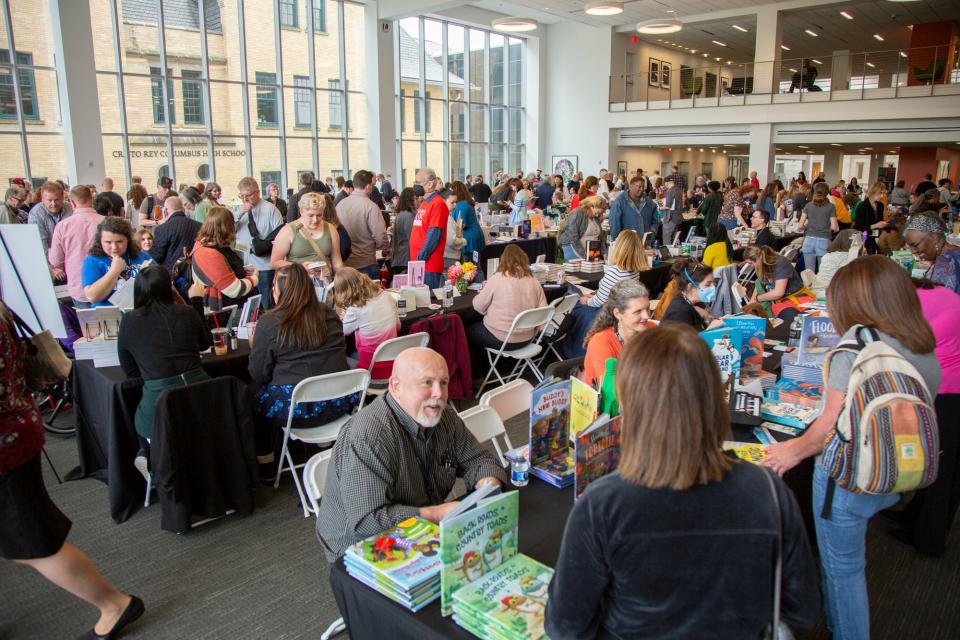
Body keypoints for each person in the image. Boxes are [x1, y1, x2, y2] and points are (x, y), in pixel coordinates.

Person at [546, 322, 820, 639]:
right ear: (715, 396)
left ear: (630, 407)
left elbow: (565, 627)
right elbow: (803, 609)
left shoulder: (601, 505)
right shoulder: (769, 491)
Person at [763, 256, 940, 640]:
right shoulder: (921, 344)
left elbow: (828, 424)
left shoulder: (856, 348)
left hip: (847, 473)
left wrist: (793, 451)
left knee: (842, 569)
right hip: (896, 466)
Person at [0, 300, 146, 640]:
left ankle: (113, 604)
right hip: (17, 428)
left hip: (8, 443)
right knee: (28, 539)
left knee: (33, 542)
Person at [316, 347, 507, 560]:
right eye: (427, 382)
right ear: (396, 387)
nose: (439, 394)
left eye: (443, 382)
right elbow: (368, 521)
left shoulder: (444, 417)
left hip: (421, 524)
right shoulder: (368, 436)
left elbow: (479, 459)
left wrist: (487, 488)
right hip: (358, 547)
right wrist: (436, 514)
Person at [248, 265, 353, 482]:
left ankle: (266, 462)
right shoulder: (329, 314)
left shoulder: (269, 322)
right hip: (338, 404)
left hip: (296, 412)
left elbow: (258, 373)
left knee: (250, 393)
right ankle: (321, 446)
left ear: (278, 291)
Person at [891, 278, 960, 558]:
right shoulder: (938, 293)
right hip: (949, 382)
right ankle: (919, 518)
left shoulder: (906, 305)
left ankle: (928, 538)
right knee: (948, 464)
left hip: (946, 387)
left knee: (939, 464)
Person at [118, 265, 209, 452]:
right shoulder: (187, 312)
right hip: (203, 398)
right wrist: (196, 302)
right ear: (169, 288)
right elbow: (205, 343)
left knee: (141, 421)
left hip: (159, 407)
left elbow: (130, 371)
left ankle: (149, 456)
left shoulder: (129, 321)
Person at [469, 244, 548, 350]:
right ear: (524, 259)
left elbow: (478, 306)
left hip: (500, 338)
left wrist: (484, 291)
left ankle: (478, 366)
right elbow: (544, 312)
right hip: (528, 338)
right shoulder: (534, 281)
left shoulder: (497, 278)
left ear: (503, 260)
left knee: (467, 331)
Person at [333, 267, 400, 379]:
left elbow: (342, 332)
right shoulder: (386, 296)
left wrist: (344, 316)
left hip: (370, 369)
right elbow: (398, 326)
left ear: (342, 291)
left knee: (342, 359)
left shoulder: (355, 310)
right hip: (393, 364)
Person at [581, 281, 651, 387]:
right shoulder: (600, 342)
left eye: (647, 309)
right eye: (638, 312)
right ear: (618, 314)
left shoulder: (650, 329)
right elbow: (612, 390)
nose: (646, 316)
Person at [47, 186, 104, 309]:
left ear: (72, 203)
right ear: (92, 199)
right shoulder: (106, 222)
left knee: (86, 327)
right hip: (105, 284)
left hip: (78, 285)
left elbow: (56, 260)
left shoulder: (62, 226)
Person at [192, 207, 258, 310]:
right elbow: (235, 290)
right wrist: (255, 278)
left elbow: (223, 271)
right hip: (228, 309)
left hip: (232, 304)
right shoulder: (209, 254)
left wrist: (241, 270)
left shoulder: (207, 245)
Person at [234, 176, 283, 309]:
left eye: (248, 195)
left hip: (264, 266)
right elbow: (227, 232)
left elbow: (280, 235)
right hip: (244, 265)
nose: (245, 199)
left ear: (257, 192)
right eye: (241, 195)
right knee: (248, 307)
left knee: (267, 305)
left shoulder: (270, 210)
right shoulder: (237, 212)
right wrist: (239, 213)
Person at [81, 216, 152, 307]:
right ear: (100, 241)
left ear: (128, 240)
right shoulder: (93, 260)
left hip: (140, 313)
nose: (114, 247)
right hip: (111, 316)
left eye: (119, 242)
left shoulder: (141, 255)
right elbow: (92, 297)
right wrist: (114, 271)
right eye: (108, 242)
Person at [270, 192, 343, 278]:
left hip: (324, 286)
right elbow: (275, 262)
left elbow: (337, 262)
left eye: (319, 215)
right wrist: (299, 267)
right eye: (310, 215)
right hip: (298, 285)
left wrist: (339, 280)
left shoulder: (330, 229)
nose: (315, 220)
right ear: (301, 211)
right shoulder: (288, 231)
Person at [336, 170, 389, 281]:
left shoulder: (340, 205)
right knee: (371, 297)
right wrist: (385, 250)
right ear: (368, 186)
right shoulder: (370, 206)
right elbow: (380, 234)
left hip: (345, 264)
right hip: (366, 263)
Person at [744, 245, 811, 320]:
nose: (752, 266)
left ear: (757, 259)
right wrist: (748, 306)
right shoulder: (762, 266)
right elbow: (759, 285)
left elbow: (778, 293)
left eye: (751, 263)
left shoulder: (780, 263)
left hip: (797, 300)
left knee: (788, 317)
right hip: (781, 303)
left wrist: (758, 299)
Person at [409, 167, 449, 290]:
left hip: (428, 264)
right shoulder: (425, 202)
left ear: (430, 184)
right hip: (418, 262)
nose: (415, 186)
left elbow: (434, 235)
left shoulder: (438, 204)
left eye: (418, 183)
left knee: (428, 302)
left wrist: (420, 260)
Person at [904, 213, 960, 295]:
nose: (913, 251)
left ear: (934, 238)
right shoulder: (954, 252)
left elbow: (939, 301)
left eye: (915, 245)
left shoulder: (945, 263)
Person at [658, 259, 721, 330]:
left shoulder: (684, 300)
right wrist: (711, 327)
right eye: (708, 284)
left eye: (713, 283)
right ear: (691, 287)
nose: (713, 288)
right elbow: (688, 340)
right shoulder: (680, 312)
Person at [149, 194, 202, 271]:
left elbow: (156, 257)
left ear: (166, 211)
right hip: (195, 273)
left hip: (171, 276)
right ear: (183, 209)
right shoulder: (200, 226)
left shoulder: (162, 229)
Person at [799, 182, 838, 272]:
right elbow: (834, 227)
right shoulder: (831, 207)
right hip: (824, 241)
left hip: (808, 240)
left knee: (809, 274)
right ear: (827, 193)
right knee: (822, 273)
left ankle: (810, 287)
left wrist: (808, 228)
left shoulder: (808, 205)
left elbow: (800, 226)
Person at [810, 229, 859, 299]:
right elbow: (849, 279)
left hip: (818, 291)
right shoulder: (847, 257)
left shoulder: (828, 255)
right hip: (829, 294)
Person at [28, 181, 74, 253]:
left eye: (57, 200)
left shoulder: (71, 209)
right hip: (49, 255)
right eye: (49, 200)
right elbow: (40, 243)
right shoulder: (36, 214)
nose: (54, 204)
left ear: (63, 198)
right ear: (42, 199)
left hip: (70, 254)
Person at [608, 175, 658, 241]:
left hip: (645, 243)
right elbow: (614, 224)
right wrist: (616, 241)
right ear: (631, 186)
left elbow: (656, 221)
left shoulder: (649, 202)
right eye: (639, 187)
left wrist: (652, 234)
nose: (642, 189)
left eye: (643, 187)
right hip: (627, 243)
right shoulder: (619, 202)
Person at [558, 196, 604, 261]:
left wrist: (604, 253)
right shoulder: (577, 213)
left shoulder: (595, 216)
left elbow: (600, 236)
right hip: (572, 247)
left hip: (590, 251)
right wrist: (584, 255)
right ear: (592, 206)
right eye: (597, 212)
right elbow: (573, 236)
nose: (598, 215)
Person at [450, 181, 485, 266]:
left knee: (470, 268)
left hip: (469, 239)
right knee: (476, 266)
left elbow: (461, 225)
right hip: (474, 236)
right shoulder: (467, 202)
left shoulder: (460, 205)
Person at [853, 182, 888, 255]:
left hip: (875, 237)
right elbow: (858, 227)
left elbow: (880, 221)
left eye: (883, 193)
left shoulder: (880, 205)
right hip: (863, 238)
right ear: (873, 192)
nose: (882, 196)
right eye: (880, 193)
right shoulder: (862, 206)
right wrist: (876, 226)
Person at [390, 187, 417, 274]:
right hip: (405, 259)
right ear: (411, 199)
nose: (419, 200)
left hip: (401, 257)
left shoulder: (402, 213)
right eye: (416, 198)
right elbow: (413, 238)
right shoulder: (408, 216)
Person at [443, 193, 467, 271]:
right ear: (444, 201)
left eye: (455, 202)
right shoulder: (447, 218)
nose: (455, 205)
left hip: (447, 255)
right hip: (450, 257)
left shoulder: (446, 216)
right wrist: (464, 241)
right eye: (452, 202)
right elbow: (451, 241)